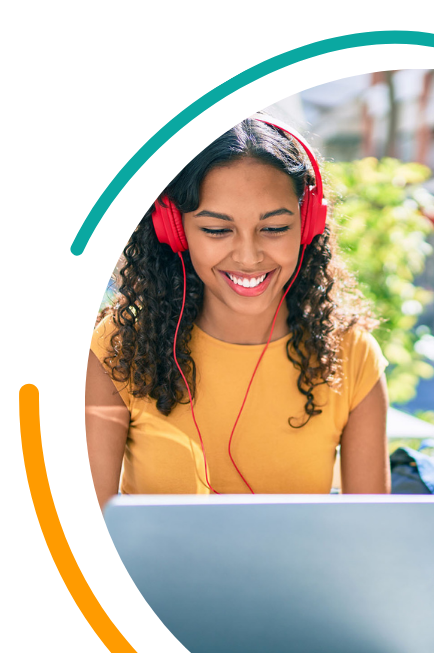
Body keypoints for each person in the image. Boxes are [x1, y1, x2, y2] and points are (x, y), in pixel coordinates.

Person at [86, 115, 390, 510]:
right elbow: (85, 531)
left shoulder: (352, 354)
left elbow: (370, 541)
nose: (248, 256)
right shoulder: (118, 349)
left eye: (275, 228)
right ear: (174, 232)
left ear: (308, 225)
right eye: (216, 230)